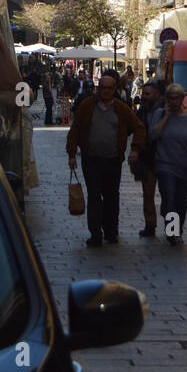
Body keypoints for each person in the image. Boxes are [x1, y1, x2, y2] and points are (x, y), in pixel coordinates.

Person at [66, 69, 145, 247]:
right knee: (94, 196)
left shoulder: (121, 108)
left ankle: (111, 230)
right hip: (91, 159)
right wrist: (72, 154)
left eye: (109, 88)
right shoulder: (87, 106)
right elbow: (75, 130)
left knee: (111, 197)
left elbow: (138, 127)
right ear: (98, 89)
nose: (105, 91)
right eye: (102, 88)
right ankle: (95, 233)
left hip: (113, 160)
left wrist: (134, 149)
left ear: (114, 89)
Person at [147, 82, 187, 246]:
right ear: (166, 99)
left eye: (177, 98)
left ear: (182, 98)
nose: (174, 101)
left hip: (185, 166)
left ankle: (177, 228)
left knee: (180, 201)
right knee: (170, 197)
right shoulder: (159, 114)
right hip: (165, 164)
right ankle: (172, 233)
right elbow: (153, 135)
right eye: (170, 98)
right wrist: (166, 116)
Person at [133, 80, 164, 237]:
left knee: (170, 198)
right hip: (148, 159)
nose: (144, 97)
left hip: (166, 159)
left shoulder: (165, 111)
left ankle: (173, 230)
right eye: (143, 93)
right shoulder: (141, 112)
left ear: (157, 95)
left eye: (147, 94)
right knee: (148, 194)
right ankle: (150, 226)